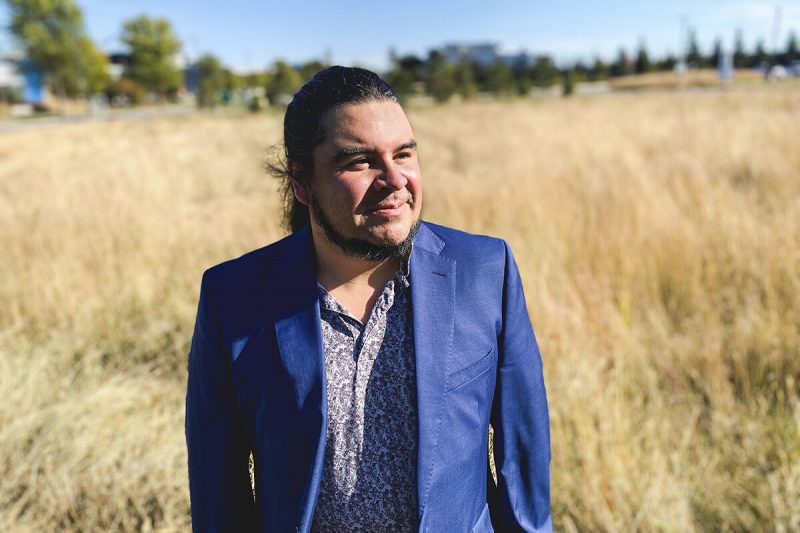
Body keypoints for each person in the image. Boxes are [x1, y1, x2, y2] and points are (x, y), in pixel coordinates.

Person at [185, 66, 551, 532]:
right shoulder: (234, 298)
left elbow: (523, 465)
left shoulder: (485, 270)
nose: (395, 180)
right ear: (302, 181)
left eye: (404, 154)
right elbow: (220, 497)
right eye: (360, 162)